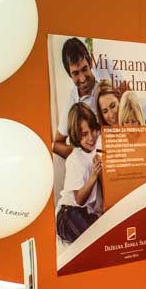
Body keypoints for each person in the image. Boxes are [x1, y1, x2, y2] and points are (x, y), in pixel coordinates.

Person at [51, 38, 111, 159]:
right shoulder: (72, 103)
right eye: (75, 73)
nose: (82, 79)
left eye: (84, 69)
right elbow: (56, 144)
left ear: (90, 63)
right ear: (69, 74)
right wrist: (84, 156)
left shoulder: (106, 72)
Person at [56, 103, 103, 243]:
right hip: (68, 214)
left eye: (93, 130)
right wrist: (94, 176)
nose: (91, 137)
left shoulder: (97, 149)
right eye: (84, 134)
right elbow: (79, 200)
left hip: (87, 213)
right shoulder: (74, 159)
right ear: (76, 136)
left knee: (104, 235)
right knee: (92, 242)